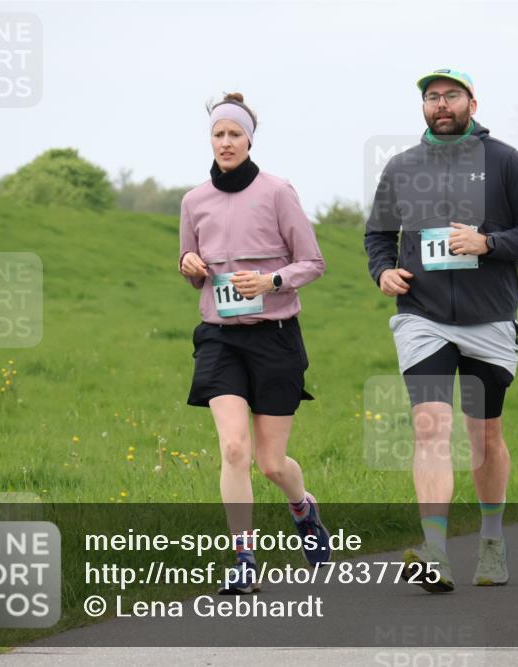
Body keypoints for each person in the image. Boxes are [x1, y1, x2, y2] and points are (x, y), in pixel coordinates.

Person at [364, 68, 518, 592]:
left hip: (489, 319)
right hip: (421, 317)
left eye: (451, 96)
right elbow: (378, 233)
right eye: (432, 97)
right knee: (430, 426)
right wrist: (382, 271)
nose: (441, 105)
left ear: (473, 101)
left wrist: (488, 243)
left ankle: (492, 539)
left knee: (484, 435)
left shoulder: (505, 162)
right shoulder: (401, 167)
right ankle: (436, 550)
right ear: (423, 107)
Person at [179, 92, 330, 593]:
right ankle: (245, 559)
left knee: (270, 463)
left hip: (276, 338)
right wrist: (189, 266)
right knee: (234, 448)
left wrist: (272, 283)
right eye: (218, 135)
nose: (225, 142)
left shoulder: (277, 193)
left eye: (234, 134)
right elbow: (189, 265)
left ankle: (303, 507)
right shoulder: (194, 201)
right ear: (211, 140)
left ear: (249, 139)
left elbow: (313, 262)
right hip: (220, 339)